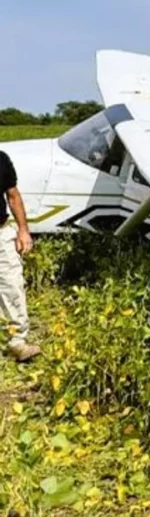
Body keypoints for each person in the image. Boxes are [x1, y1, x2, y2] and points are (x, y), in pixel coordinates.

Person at [0, 151, 38, 362]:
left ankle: (17, 342)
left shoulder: (1, 159)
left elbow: (13, 196)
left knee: (12, 285)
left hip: (2, 232)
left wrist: (23, 230)